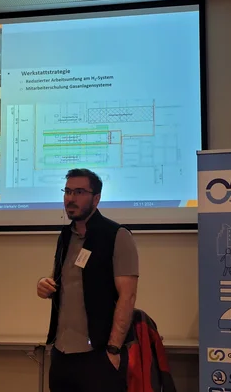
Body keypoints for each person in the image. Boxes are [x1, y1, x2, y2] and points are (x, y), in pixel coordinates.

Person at [37, 168, 139, 392]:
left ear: (96, 198)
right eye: (67, 191)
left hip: (98, 355)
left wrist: (113, 350)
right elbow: (65, 281)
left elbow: (127, 296)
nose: (70, 198)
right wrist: (45, 284)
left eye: (79, 192)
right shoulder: (65, 236)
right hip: (62, 353)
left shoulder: (117, 235)